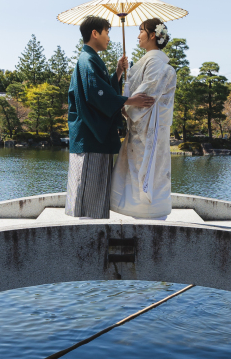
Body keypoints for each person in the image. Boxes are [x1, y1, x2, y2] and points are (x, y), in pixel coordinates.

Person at [65, 16, 155, 218]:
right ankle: (87, 231)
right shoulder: (87, 60)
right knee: (89, 192)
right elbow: (97, 95)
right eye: (107, 32)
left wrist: (117, 73)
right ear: (94, 33)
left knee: (92, 190)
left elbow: (101, 90)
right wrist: (130, 100)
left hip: (93, 134)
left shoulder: (90, 60)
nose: (108, 38)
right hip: (91, 136)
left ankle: (91, 230)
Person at [110, 17, 178, 219]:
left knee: (148, 168)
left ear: (151, 35)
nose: (138, 35)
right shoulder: (148, 61)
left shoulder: (156, 63)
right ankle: (139, 209)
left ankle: (150, 211)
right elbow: (135, 93)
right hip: (141, 125)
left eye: (141, 31)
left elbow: (146, 96)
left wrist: (126, 105)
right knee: (138, 167)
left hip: (150, 127)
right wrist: (124, 73)